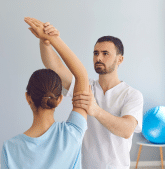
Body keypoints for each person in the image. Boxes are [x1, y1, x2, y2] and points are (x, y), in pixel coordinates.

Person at [40, 22, 144, 169]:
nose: (98, 58)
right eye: (96, 53)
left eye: (105, 53)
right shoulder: (85, 86)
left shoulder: (132, 95)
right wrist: (45, 42)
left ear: (120, 59)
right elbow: (55, 67)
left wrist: (95, 110)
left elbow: (127, 130)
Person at [0, 17, 90, 169]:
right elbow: (81, 75)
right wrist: (52, 39)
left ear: (28, 97)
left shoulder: (10, 148)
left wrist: (46, 41)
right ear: (59, 99)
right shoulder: (72, 134)